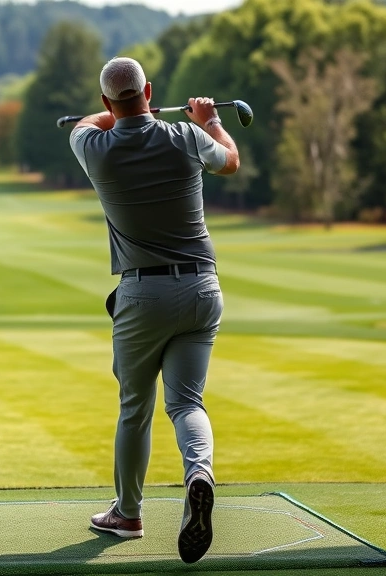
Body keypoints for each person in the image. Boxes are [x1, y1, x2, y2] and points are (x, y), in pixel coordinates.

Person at [68, 57, 240, 564]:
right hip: (203, 288)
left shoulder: (91, 147)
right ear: (150, 89)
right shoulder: (186, 135)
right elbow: (230, 160)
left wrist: (116, 112)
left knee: (135, 408)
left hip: (142, 294)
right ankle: (199, 474)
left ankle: (128, 513)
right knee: (187, 402)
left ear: (105, 101)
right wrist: (210, 120)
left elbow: (89, 124)